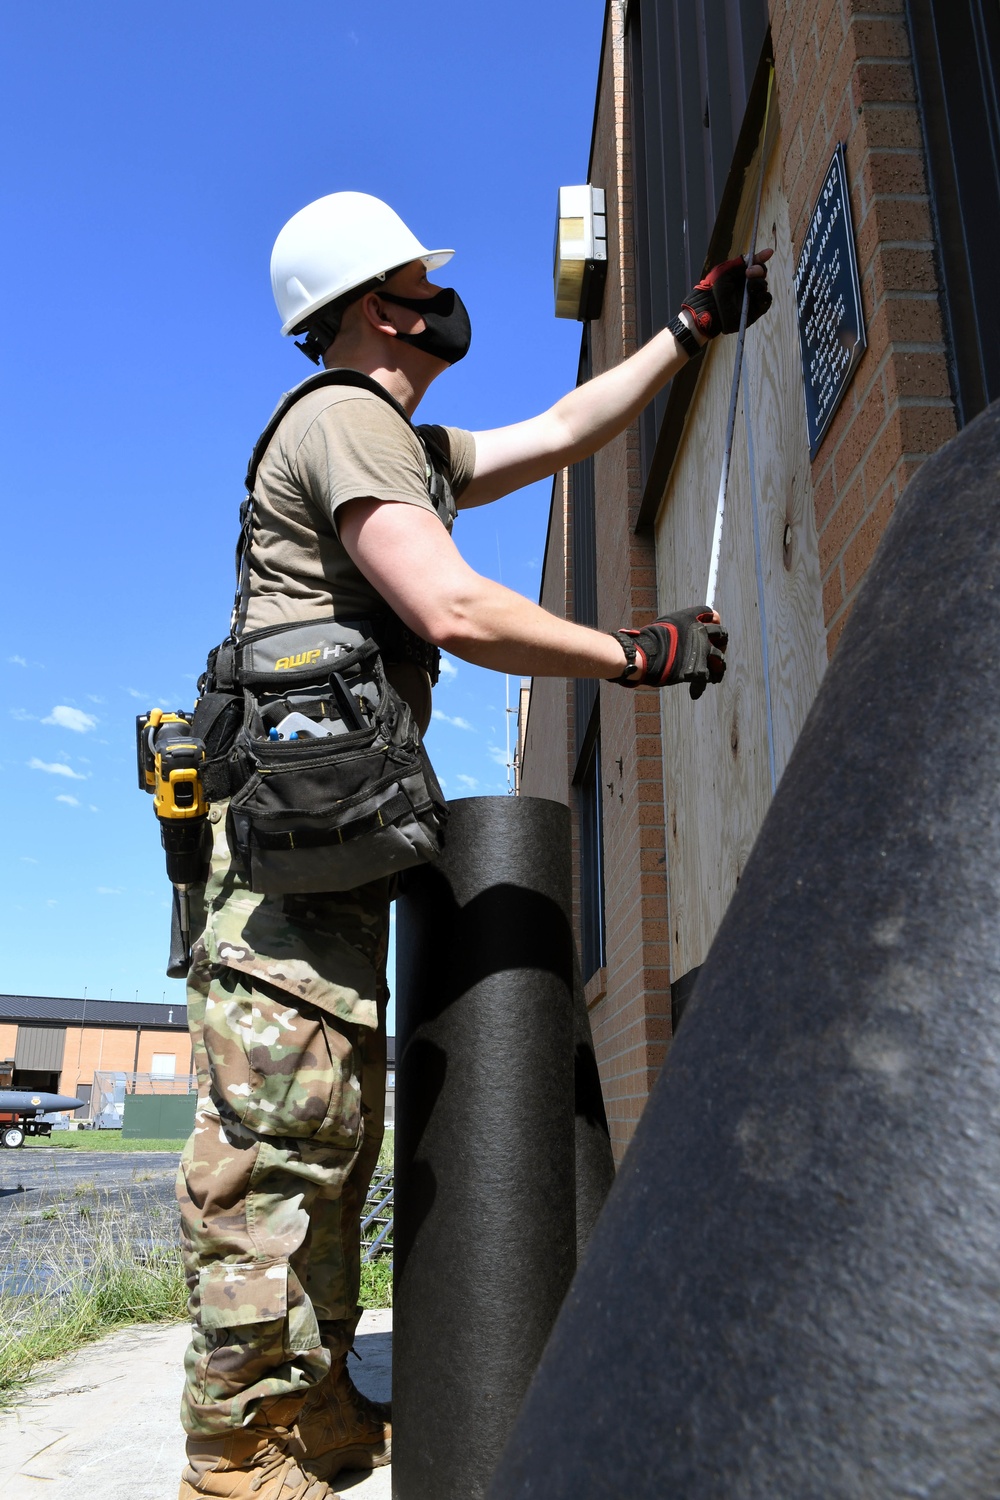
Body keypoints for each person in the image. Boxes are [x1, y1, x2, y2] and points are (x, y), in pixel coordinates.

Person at [176, 191, 771, 1500]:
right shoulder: (346, 422)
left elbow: (558, 432)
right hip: (279, 907)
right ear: (372, 306)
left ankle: (317, 1430)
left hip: (317, 892)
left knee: (327, 1168)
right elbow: (446, 604)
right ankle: (238, 1470)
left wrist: (679, 333)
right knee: (274, 1188)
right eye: (414, 282)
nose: (438, 300)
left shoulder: (397, 439)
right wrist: (630, 650)